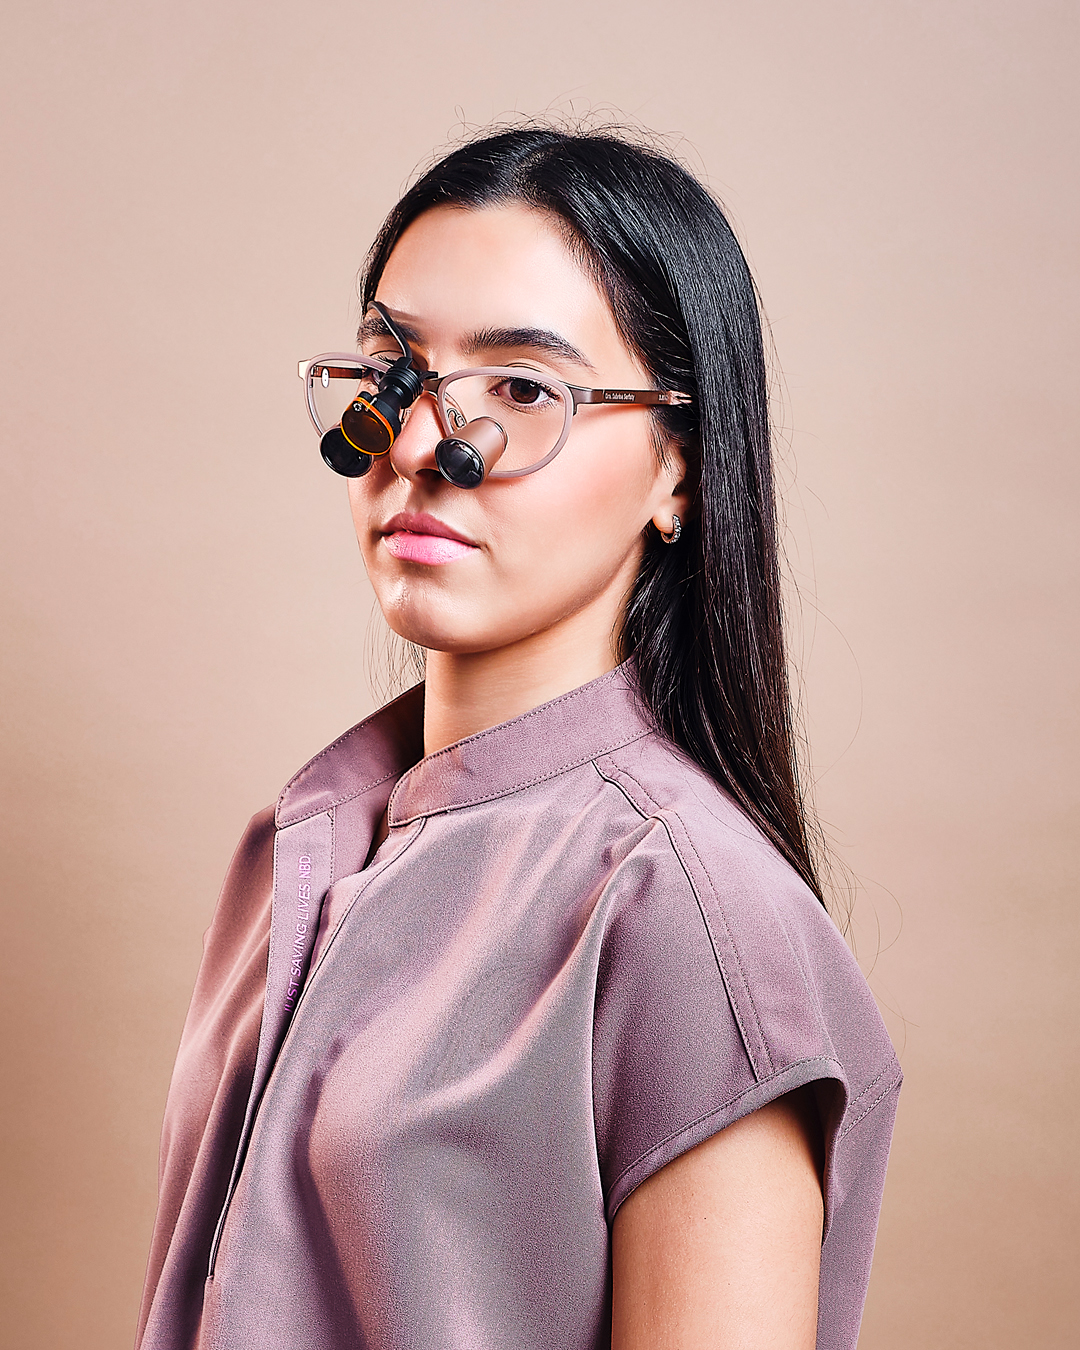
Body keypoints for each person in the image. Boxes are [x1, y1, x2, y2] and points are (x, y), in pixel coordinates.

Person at [135, 126, 900, 1350]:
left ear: (680, 473)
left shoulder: (693, 923)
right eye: (395, 373)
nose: (431, 447)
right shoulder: (297, 853)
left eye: (523, 389)